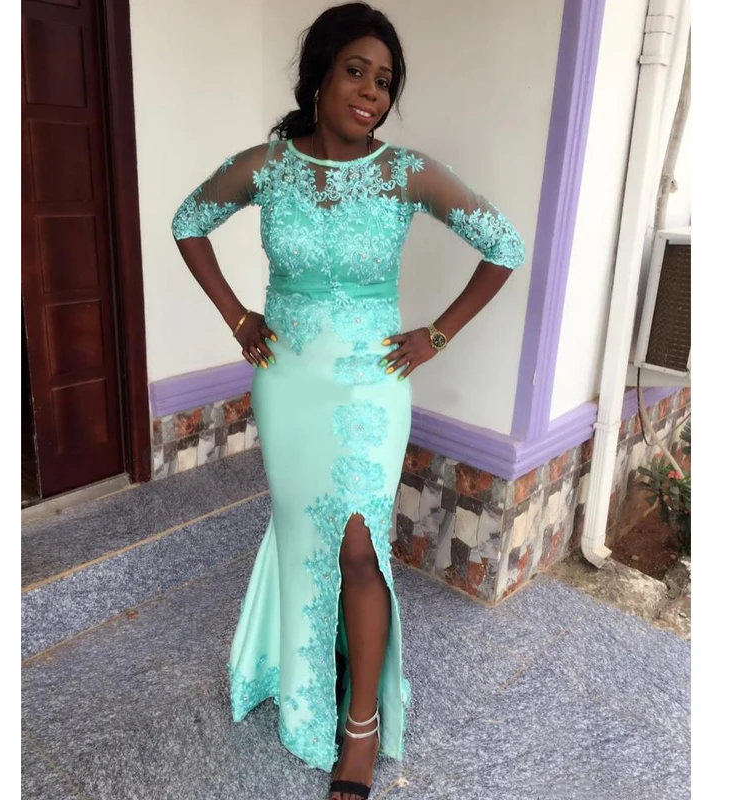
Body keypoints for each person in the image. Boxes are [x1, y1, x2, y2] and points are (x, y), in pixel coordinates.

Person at [171, 4, 525, 797]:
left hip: (370, 388)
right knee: (306, 537)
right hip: (288, 385)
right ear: (320, 75)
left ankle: (359, 727)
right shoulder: (267, 166)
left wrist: (437, 333)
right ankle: (305, 681)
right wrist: (237, 315)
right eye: (357, 72)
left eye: (385, 81)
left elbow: (505, 245)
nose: (371, 92)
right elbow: (188, 221)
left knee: (361, 549)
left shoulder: (407, 172)